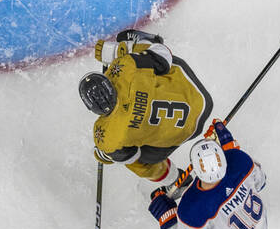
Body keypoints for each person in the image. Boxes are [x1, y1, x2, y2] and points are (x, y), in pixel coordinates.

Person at [79, 28, 213, 190]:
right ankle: (145, 41)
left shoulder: (106, 137)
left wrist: (108, 154)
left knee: (133, 160)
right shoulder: (125, 67)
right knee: (155, 62)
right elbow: (164, 55)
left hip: (187, 131)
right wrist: (121, 52)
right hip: (198, 98)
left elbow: (131, 156)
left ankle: (174, 180)